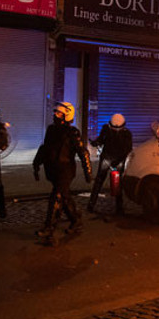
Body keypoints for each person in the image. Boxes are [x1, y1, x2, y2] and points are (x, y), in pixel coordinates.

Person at [33, 101, 92, 243]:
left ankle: (49, 227)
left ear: (66, 115)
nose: (55, 115)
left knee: (56, 196)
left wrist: (87, 171)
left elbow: (82, 152)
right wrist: (36, 164)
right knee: (65, 197)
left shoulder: (72, 132)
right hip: (52, 169)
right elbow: (45, 148)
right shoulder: (51, 130)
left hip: (65, 170)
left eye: (59, 113)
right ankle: (76, 221)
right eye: (55, 113)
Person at [88, 113, 133, 215]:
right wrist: (96, 143)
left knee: (101, 182)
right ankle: (119, 209)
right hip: (114, 160)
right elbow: (127, 149)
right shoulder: (126, 133)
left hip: (109, 159)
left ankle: (92, 205)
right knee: (116, 183)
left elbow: (101, 140)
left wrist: (96, 142)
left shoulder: (107, 129)